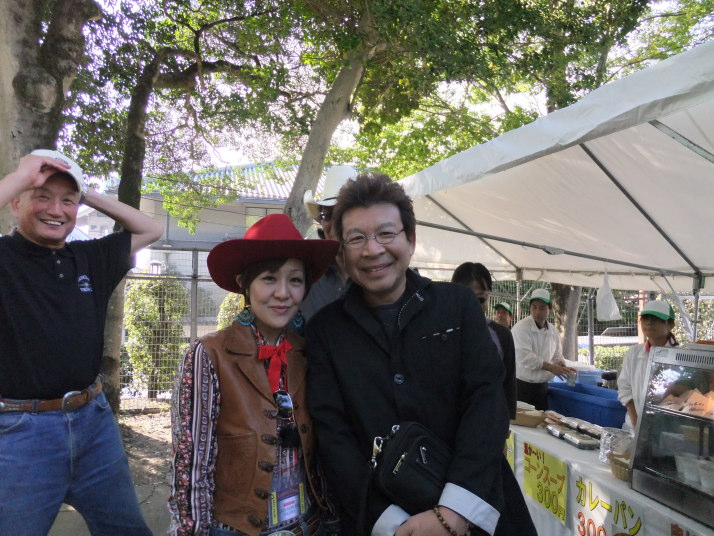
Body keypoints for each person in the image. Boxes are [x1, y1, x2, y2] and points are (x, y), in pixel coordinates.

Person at [306, 173, 536, 536]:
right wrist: (393, 525)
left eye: (386, 233)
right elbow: (334, 437)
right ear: (341, 252)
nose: (373, 250)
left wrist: (454, 510)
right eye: (356, 238)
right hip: (384, 519)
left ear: (411, 239)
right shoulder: (325, 331)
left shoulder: (457, 305)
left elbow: (485, 401)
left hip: (476, 511)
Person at [0, 149, 163, 535]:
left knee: (127, 530)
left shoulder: (90, 257)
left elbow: (150, 229)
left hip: (94, 423)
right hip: (21, 432)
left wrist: (86, 193)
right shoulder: (3, 257)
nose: (56, 210)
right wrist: (22, 177)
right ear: (16, 203)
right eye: (42, 196)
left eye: (67, 201)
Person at [168, 213, 340, 536]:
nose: (283, 293)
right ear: (244, 284)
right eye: (269, 278)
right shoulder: (210, 355)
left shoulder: (309, 353)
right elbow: (191, 463)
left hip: (309, 525)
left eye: (295, 280)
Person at [451, 262, 517, 419]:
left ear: (488, 297)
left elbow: (508, 386)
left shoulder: (502, 335)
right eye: (466, 298)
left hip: (487, 420)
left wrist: (506, 423)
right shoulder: (441, 332)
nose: (473, 305)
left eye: (480, 299)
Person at [300, 165, 356, 321]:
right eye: (327, 215)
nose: (335, 225)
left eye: (343, 215)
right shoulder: (305, 274)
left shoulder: (380, 272)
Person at [617, 300, 678, 430]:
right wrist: (636, 422)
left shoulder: (679, 357)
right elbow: (625, 388)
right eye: (646, 318)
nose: (650, 322)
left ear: (671, 325)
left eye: (656, 319)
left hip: (667, 428)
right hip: (633, 426)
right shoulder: (634, 353)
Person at [512, 288, 576, 410]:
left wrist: (562, 366)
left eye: (542, 308)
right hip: (522, 386)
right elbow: (525, 356)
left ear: (549, 309)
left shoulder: (552, 331)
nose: (537, 312)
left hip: (542, 387)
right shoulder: (521, 328)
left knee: (541, 419)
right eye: (534, 307)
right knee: (522, 420)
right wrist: (551, 368)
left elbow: (557, 354)